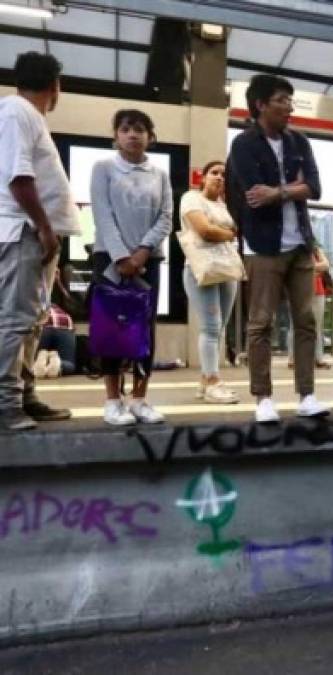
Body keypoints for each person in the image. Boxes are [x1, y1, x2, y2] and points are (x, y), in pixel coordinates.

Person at [226, 73, 329, 424]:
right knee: (260, 324)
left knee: (306, 320)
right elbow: (252, 195)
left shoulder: (300, 141)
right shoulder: (243, 145)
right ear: (260, 105)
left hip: (300, 242)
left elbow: (314, 187)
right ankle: (263, 397)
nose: (289, 107)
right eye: (282, 99)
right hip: (262, 246)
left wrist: (280, 191)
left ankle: (307, 394)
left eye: (290, 99)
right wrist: (291, 187)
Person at [0, 52, 80, 430]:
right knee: (15, 322)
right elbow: (20, 179)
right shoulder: (18, 112)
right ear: (55, 87)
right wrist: (45, 229)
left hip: (35, 236)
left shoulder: (25, 115)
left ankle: (24, 395)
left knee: (31, 322)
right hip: (24, 233)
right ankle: (5, 405)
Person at [90, 109, 172, 426]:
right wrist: (121, 256)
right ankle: (112, 401)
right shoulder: (104, 168)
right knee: (113, 326)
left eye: (140, 129)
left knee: (144, 329)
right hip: (109, 260)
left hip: (148, 260)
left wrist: (140, 254)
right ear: (116, 135)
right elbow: (102, 213)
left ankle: (139, 399)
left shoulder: (160, 174)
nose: (133, 134)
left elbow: (165, 217)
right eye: (125, 129)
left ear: (150, 136)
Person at [181, 160, 239, 404]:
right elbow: (204, 230)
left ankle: (207, 380)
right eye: (214, 173)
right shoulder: (192, 198)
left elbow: (238, 228)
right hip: (200, 268)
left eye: (224, 174)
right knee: (211, 327)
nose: (219, 177)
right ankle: (213, 381)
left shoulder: (226, 205)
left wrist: (222, 231)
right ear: (203, 177)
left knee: (219, 328)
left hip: (226, 268)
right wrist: (228, 233)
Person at [288, 245, 333, 369]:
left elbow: (325, 265)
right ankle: (293, 358)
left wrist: (307, 269)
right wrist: (314, 269)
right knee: (295, 325)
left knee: (317, 326)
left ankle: (318, 357)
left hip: (318, 291)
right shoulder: (291, 250)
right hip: (297, 291)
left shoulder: (315, 249)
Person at [34, 304, 76, 378]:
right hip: (65, 322)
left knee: (28, 362)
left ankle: (39, 360)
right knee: (69, 362)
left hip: (42, 324)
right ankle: (58, 363)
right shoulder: (52, 303)